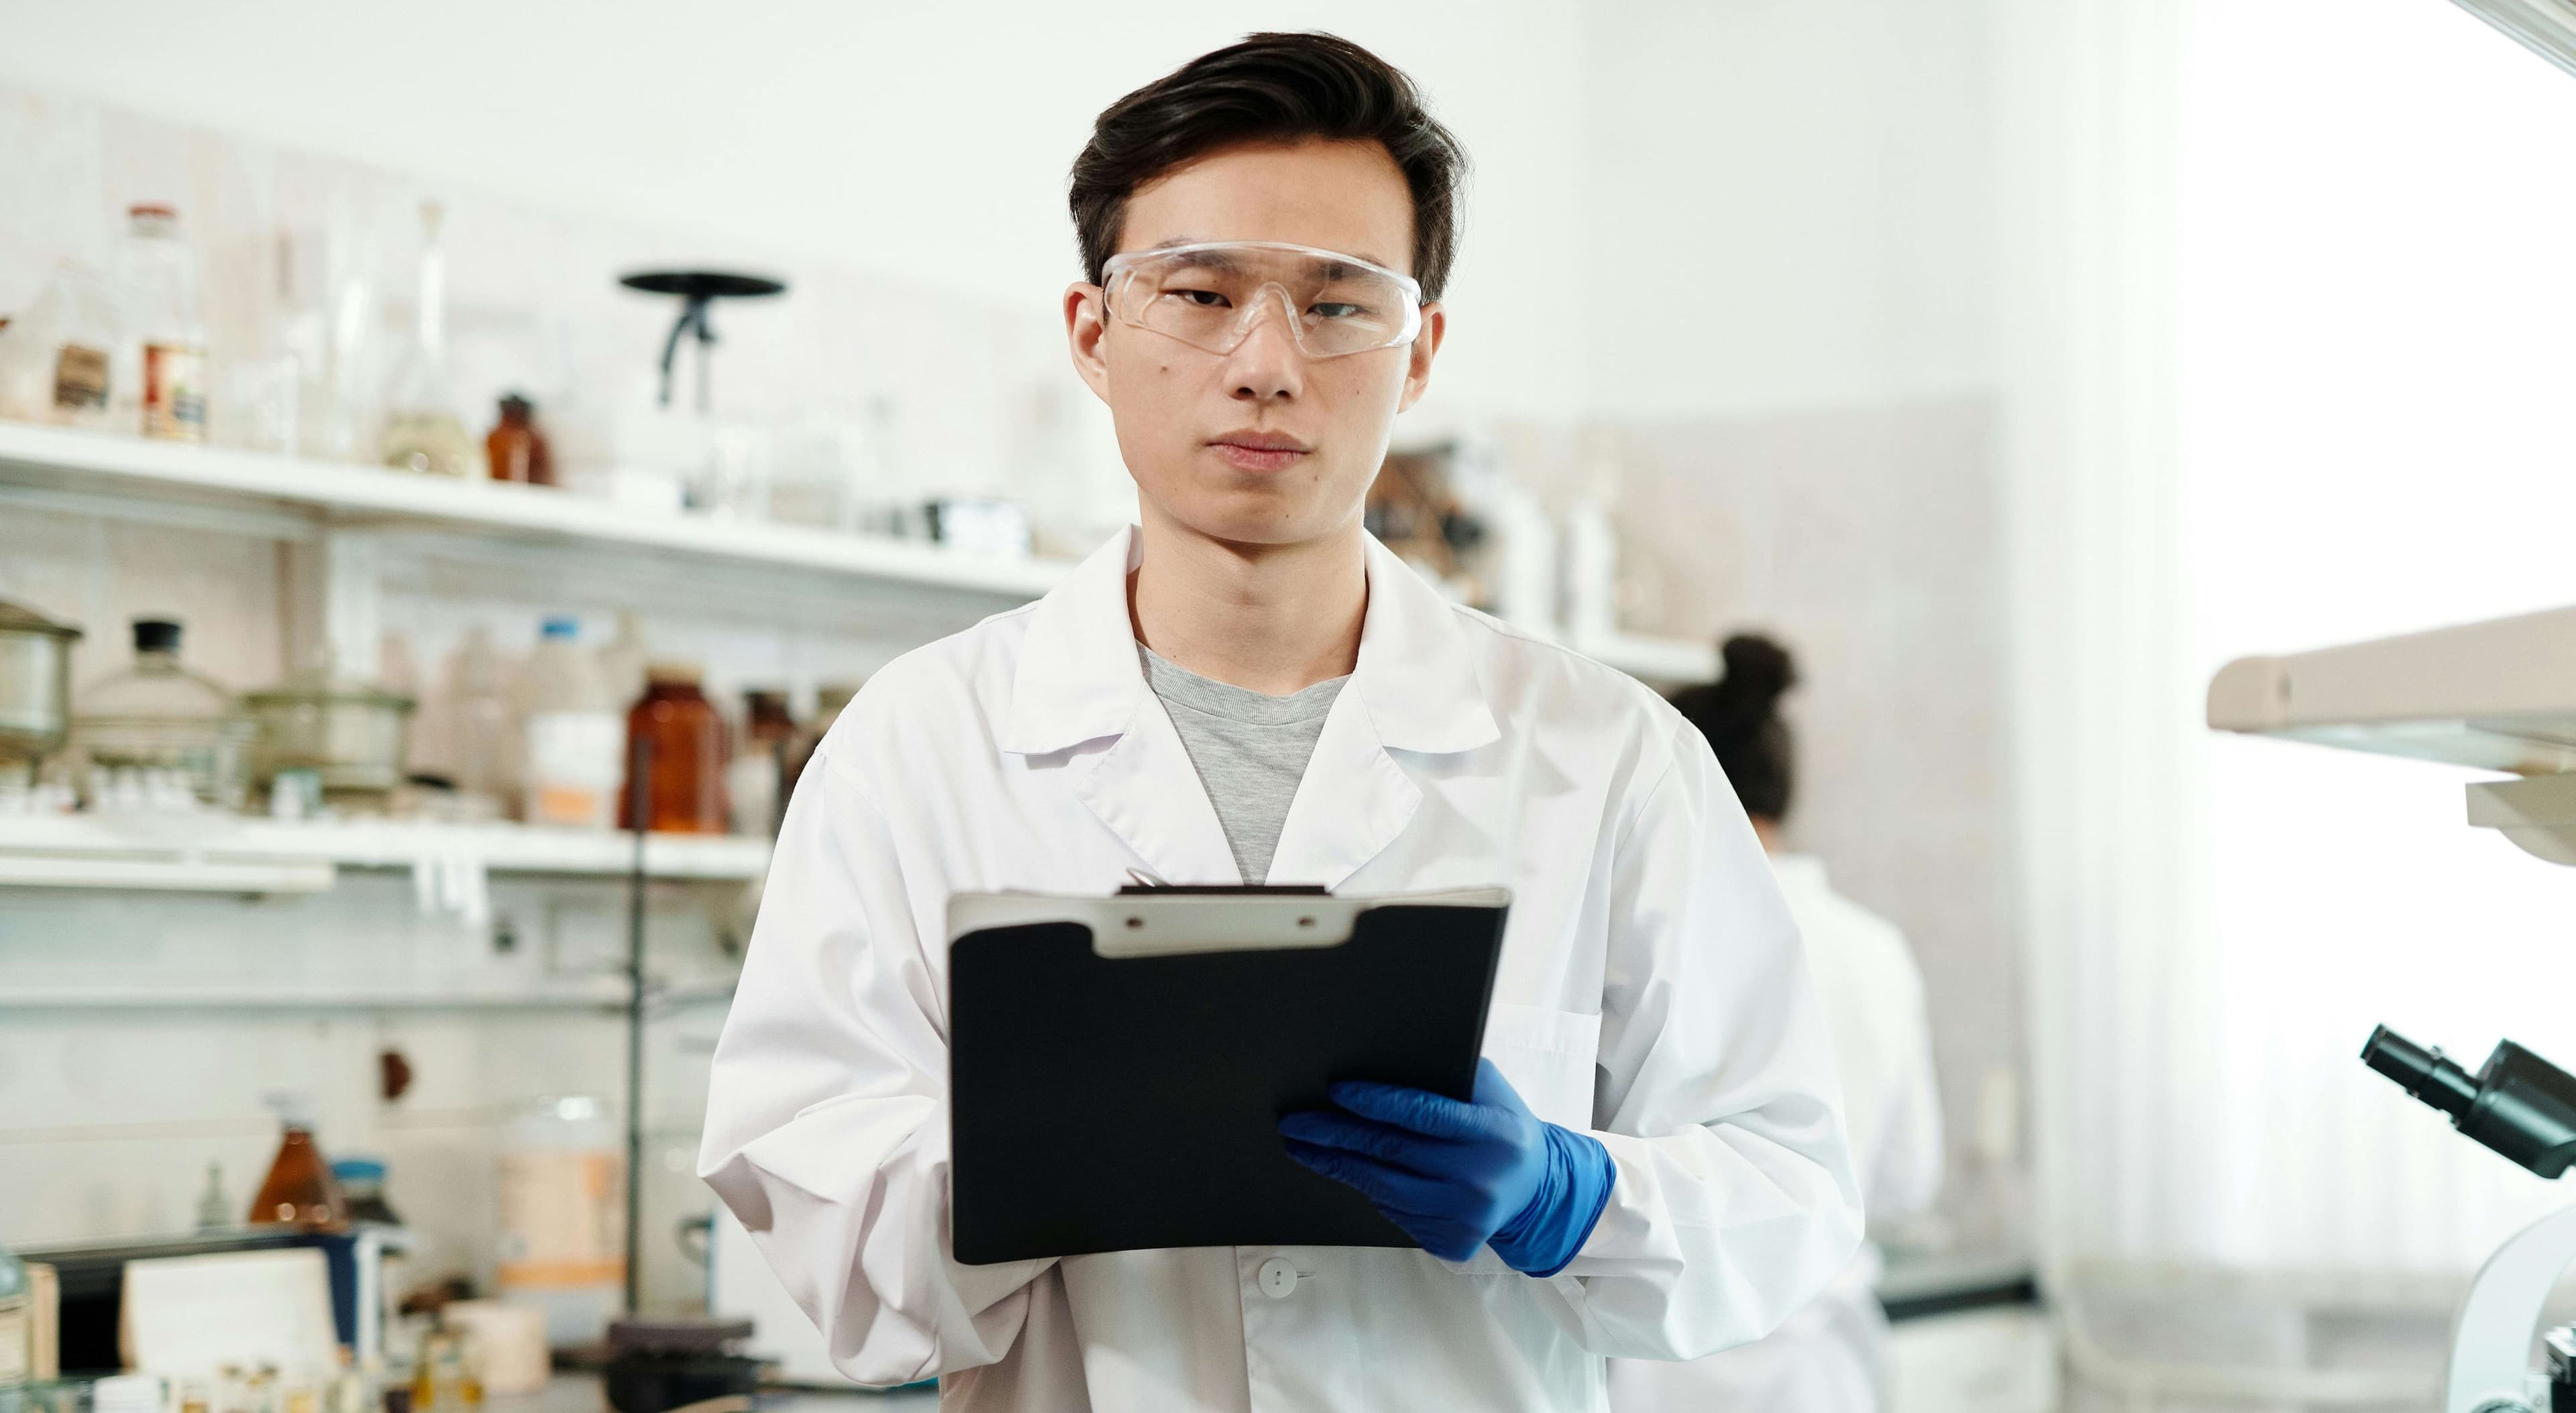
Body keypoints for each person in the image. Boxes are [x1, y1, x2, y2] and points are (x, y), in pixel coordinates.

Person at [698, 34, 1861, 1413]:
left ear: (1419, 352)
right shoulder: (918, 746)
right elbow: (813, 1218)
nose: (1266, 363)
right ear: (1093, 333)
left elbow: (1787, 1196)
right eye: (1198, 293)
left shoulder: (1607, 757)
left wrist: (1565, 1191)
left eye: (1337, 304)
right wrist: (1041, 1148)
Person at [1611, 634, 1946, 1413]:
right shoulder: (1874, 950)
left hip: (1671, 1371)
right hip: (1821, 1371)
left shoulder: (1655, 941)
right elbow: (1907, 1181)